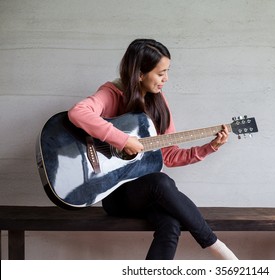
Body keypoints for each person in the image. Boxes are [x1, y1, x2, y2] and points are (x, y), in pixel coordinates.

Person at [68, 39, 238, 260]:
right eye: (160, 73)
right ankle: (218, 249)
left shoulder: (158, 102)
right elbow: (78, 112)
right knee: (162, 182)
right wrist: (123, 140)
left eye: (167, 72)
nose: (166, 79)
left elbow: (169, 155)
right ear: (140, 74)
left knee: (170, 224)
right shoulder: (112, 92)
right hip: (114, 194)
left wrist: (210, 147)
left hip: (148, 194)